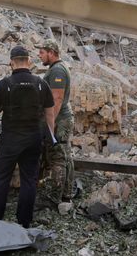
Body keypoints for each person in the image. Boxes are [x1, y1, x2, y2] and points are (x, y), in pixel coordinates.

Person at [0, 46, 55, 228]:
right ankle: (24, 221)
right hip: (33, 138)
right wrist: (50, 137)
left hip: (10, 139)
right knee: (29, 180)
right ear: (29, 61)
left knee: (1, 178)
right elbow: (50, 114)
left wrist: (2, 106)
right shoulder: (41, 83)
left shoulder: (4, 84)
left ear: (11, 62)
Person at [37, 38, 75, 203]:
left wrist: (49, 124)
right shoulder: (56, 68)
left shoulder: (58, 71)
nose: (40, 56)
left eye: (42, 52)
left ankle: (55, 198)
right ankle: (66, 193)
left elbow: (57, 99)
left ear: (51, 53)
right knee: (65, 155)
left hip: (59, 120)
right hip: (61, 119)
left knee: (58, 157)